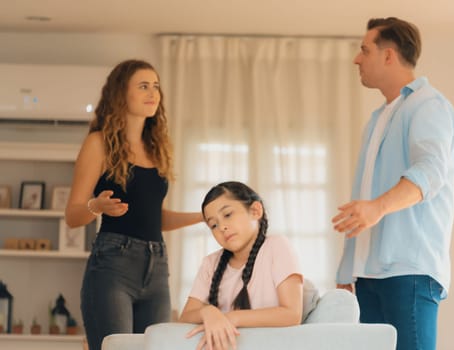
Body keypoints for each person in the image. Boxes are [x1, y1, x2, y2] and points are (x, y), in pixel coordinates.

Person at [332, 17, 454, 350]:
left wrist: (377, 207)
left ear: (389, 55)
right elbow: (365, 201)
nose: (357, 59)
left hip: (409, 272)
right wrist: (348, 270)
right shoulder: (378, 119)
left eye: (364, 50)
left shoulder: (428, 105)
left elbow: (431, 171)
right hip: (369, 277)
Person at [65, 59, 203, 350]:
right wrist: (97, 206)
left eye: (155, 86)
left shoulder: (157, 149)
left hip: (157, 265)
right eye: (143, 86)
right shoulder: (98, 143)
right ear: (121, 94)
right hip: (113, 265)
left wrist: (202, 216)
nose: (153, 93)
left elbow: (154, 217)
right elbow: (72, 215)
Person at [179, 181, 304, 350]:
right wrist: (207, 312)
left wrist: (230, 318)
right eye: (213, 225)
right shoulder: (210, 263)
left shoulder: (277, 246)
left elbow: (292, 314)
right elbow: (185, 317)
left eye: (228, 214)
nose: (222, 227)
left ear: (255, 211)